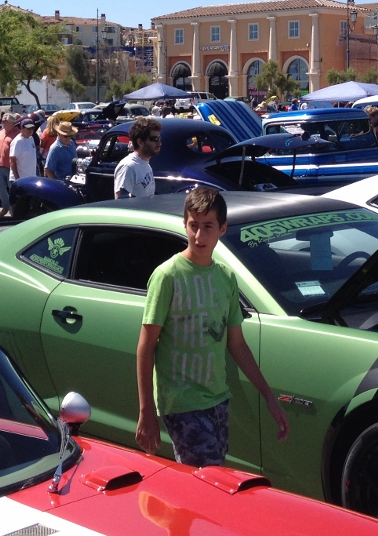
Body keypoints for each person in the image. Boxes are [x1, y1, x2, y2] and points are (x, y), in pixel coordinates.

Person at [135, 187, 288, 467]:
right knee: (209, 473)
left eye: (208, 227)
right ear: (184, 224)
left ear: (222, 228)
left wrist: (268, 397)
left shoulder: (226, 277)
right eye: (193, 226)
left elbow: (237, 344)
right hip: (181, 402)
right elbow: (146, 347)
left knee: (209, 480)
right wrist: (147, 412)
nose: (199, 235)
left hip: (218, 400)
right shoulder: (167, 276)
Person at [115, 117, 160, 198]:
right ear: (140, 142)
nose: (159, 143)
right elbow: (121, 204)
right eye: (155, 139)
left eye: (159, 138)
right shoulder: (128, 167)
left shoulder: (145, 163)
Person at [0, 113, 18, 217]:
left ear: (11, 123)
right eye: (2, 121)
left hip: (11, 167)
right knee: (0, 187)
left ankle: (14, 209)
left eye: (4, 121)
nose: (2, 123)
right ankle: (6, 206)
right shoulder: (1, 133)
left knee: (12, 189)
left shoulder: (18, 134)